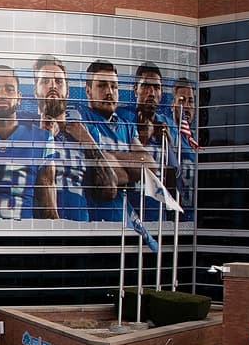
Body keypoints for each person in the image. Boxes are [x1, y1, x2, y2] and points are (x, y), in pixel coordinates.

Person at [0, 64, 57, 218]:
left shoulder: (41, 139)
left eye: (9, 89)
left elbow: (48, 207)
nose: (2, 94)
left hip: (22, 237)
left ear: (19, 98)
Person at [78, 59, 157, 222]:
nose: (109, 92)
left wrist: (107, 159)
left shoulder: (126, 126)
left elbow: (149, 165)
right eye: (102, 86)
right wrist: (129, 165)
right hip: (93, 222)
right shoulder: (81, 117)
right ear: (88, 90)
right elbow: (97, 179)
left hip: (123, 222)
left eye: (114, 86)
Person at [34, 54, 90, 221]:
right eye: (45, 81)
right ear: (35, 91)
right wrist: (45, 138)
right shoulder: (25, 133)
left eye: (59, 81)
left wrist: (87, 141)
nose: (52, 85)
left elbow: (108, 187)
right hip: (41, 232)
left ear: (67, 91)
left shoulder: (86, 132)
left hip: (81, 228)